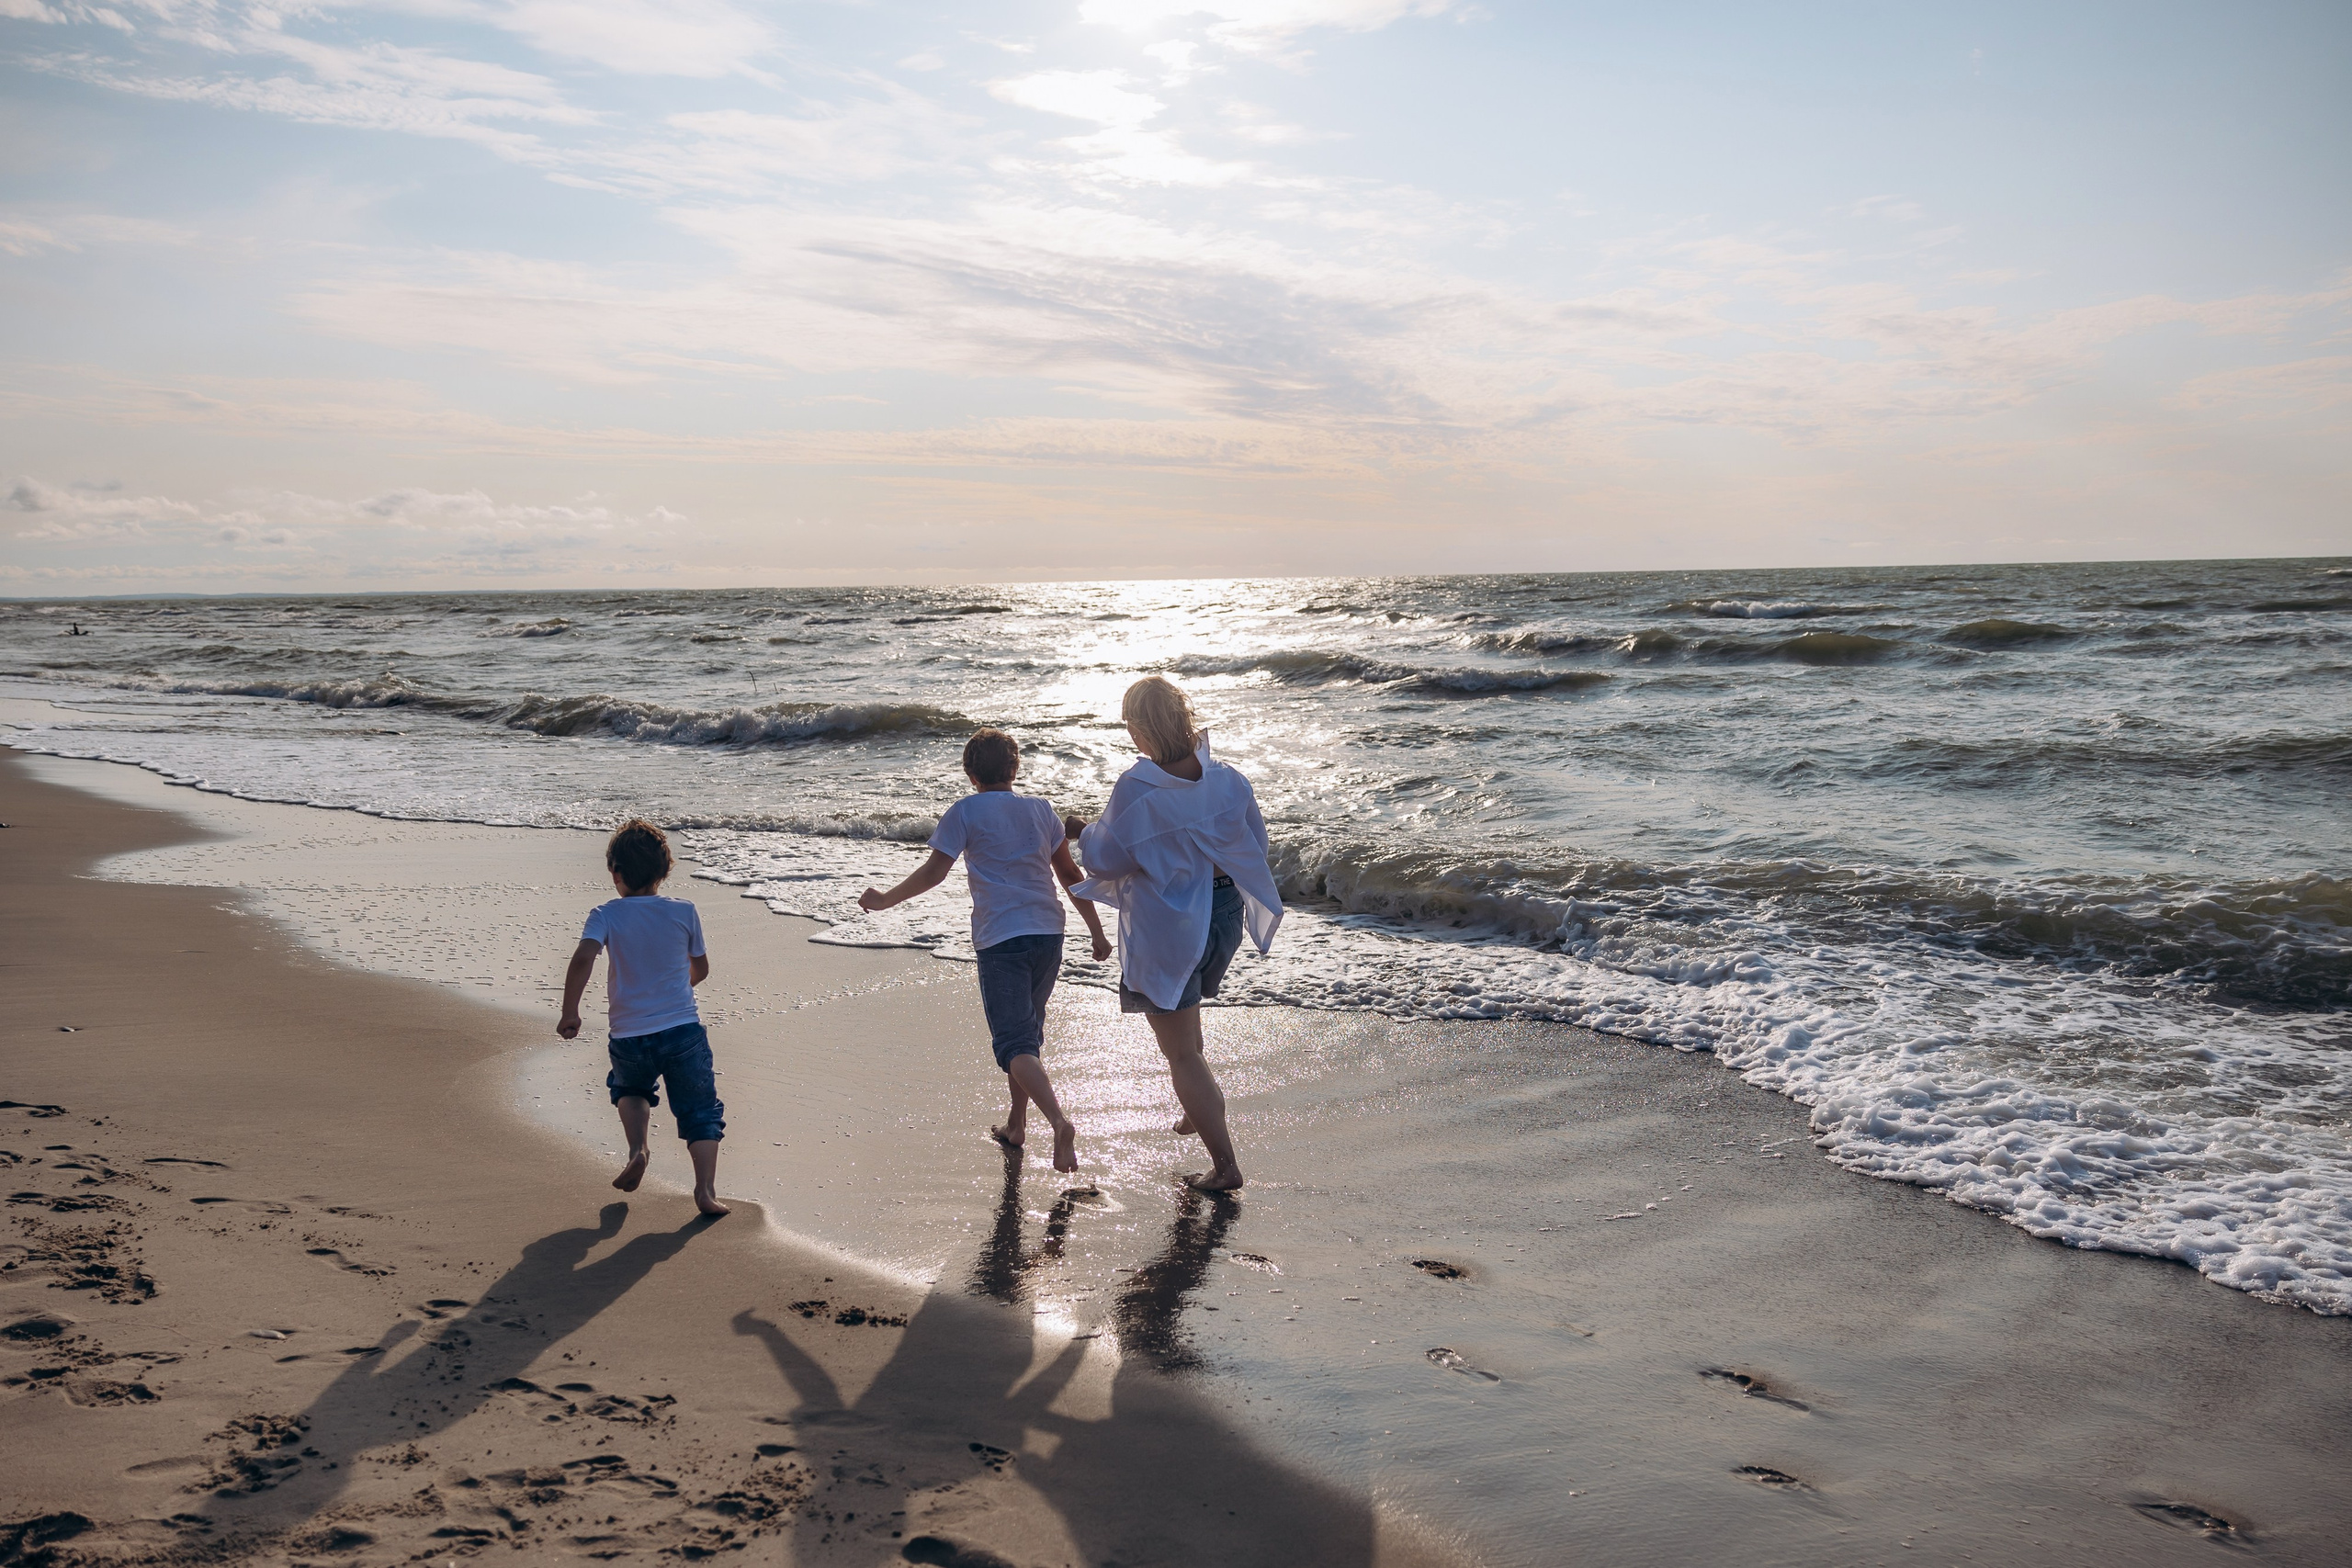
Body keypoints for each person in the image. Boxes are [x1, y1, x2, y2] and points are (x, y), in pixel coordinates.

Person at [858, 728, 1112, 1174]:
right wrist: (1096, 930)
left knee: (1015, 1041)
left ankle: (1059, 1121)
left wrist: (884, 901)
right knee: (1028, 1035)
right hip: (1049, 933)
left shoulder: (964, 811)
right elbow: (1070, 875)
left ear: (970, 773)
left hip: (1002, 939)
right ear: (1015, 768)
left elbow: (935, 872)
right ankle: (1017, 1125)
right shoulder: (1041, 810)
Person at [1066, 678, 1282, 1191]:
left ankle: (1226, 1165)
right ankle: (1195, 1106)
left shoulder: (1137, 789)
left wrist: (1084, 830)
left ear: (1141, 729)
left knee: (1180, 1054)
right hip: (1225, 912)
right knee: (1187, 1027)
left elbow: (1105, 858)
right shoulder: (1227, 777)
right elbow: (1257, 842)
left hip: (1173, 925)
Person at [557, 818, 729, 1216]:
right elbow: (700, 970)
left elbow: (583, 958)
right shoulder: (684, 911)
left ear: (616, 873)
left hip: (630, 1036)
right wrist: (674, 987)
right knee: (700, 1111)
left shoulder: (605, 914)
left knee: (630, 1090)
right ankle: (704, 1191)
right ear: (665, 870)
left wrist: (571, 1011)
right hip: (683, 1031)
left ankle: (638, 1149)